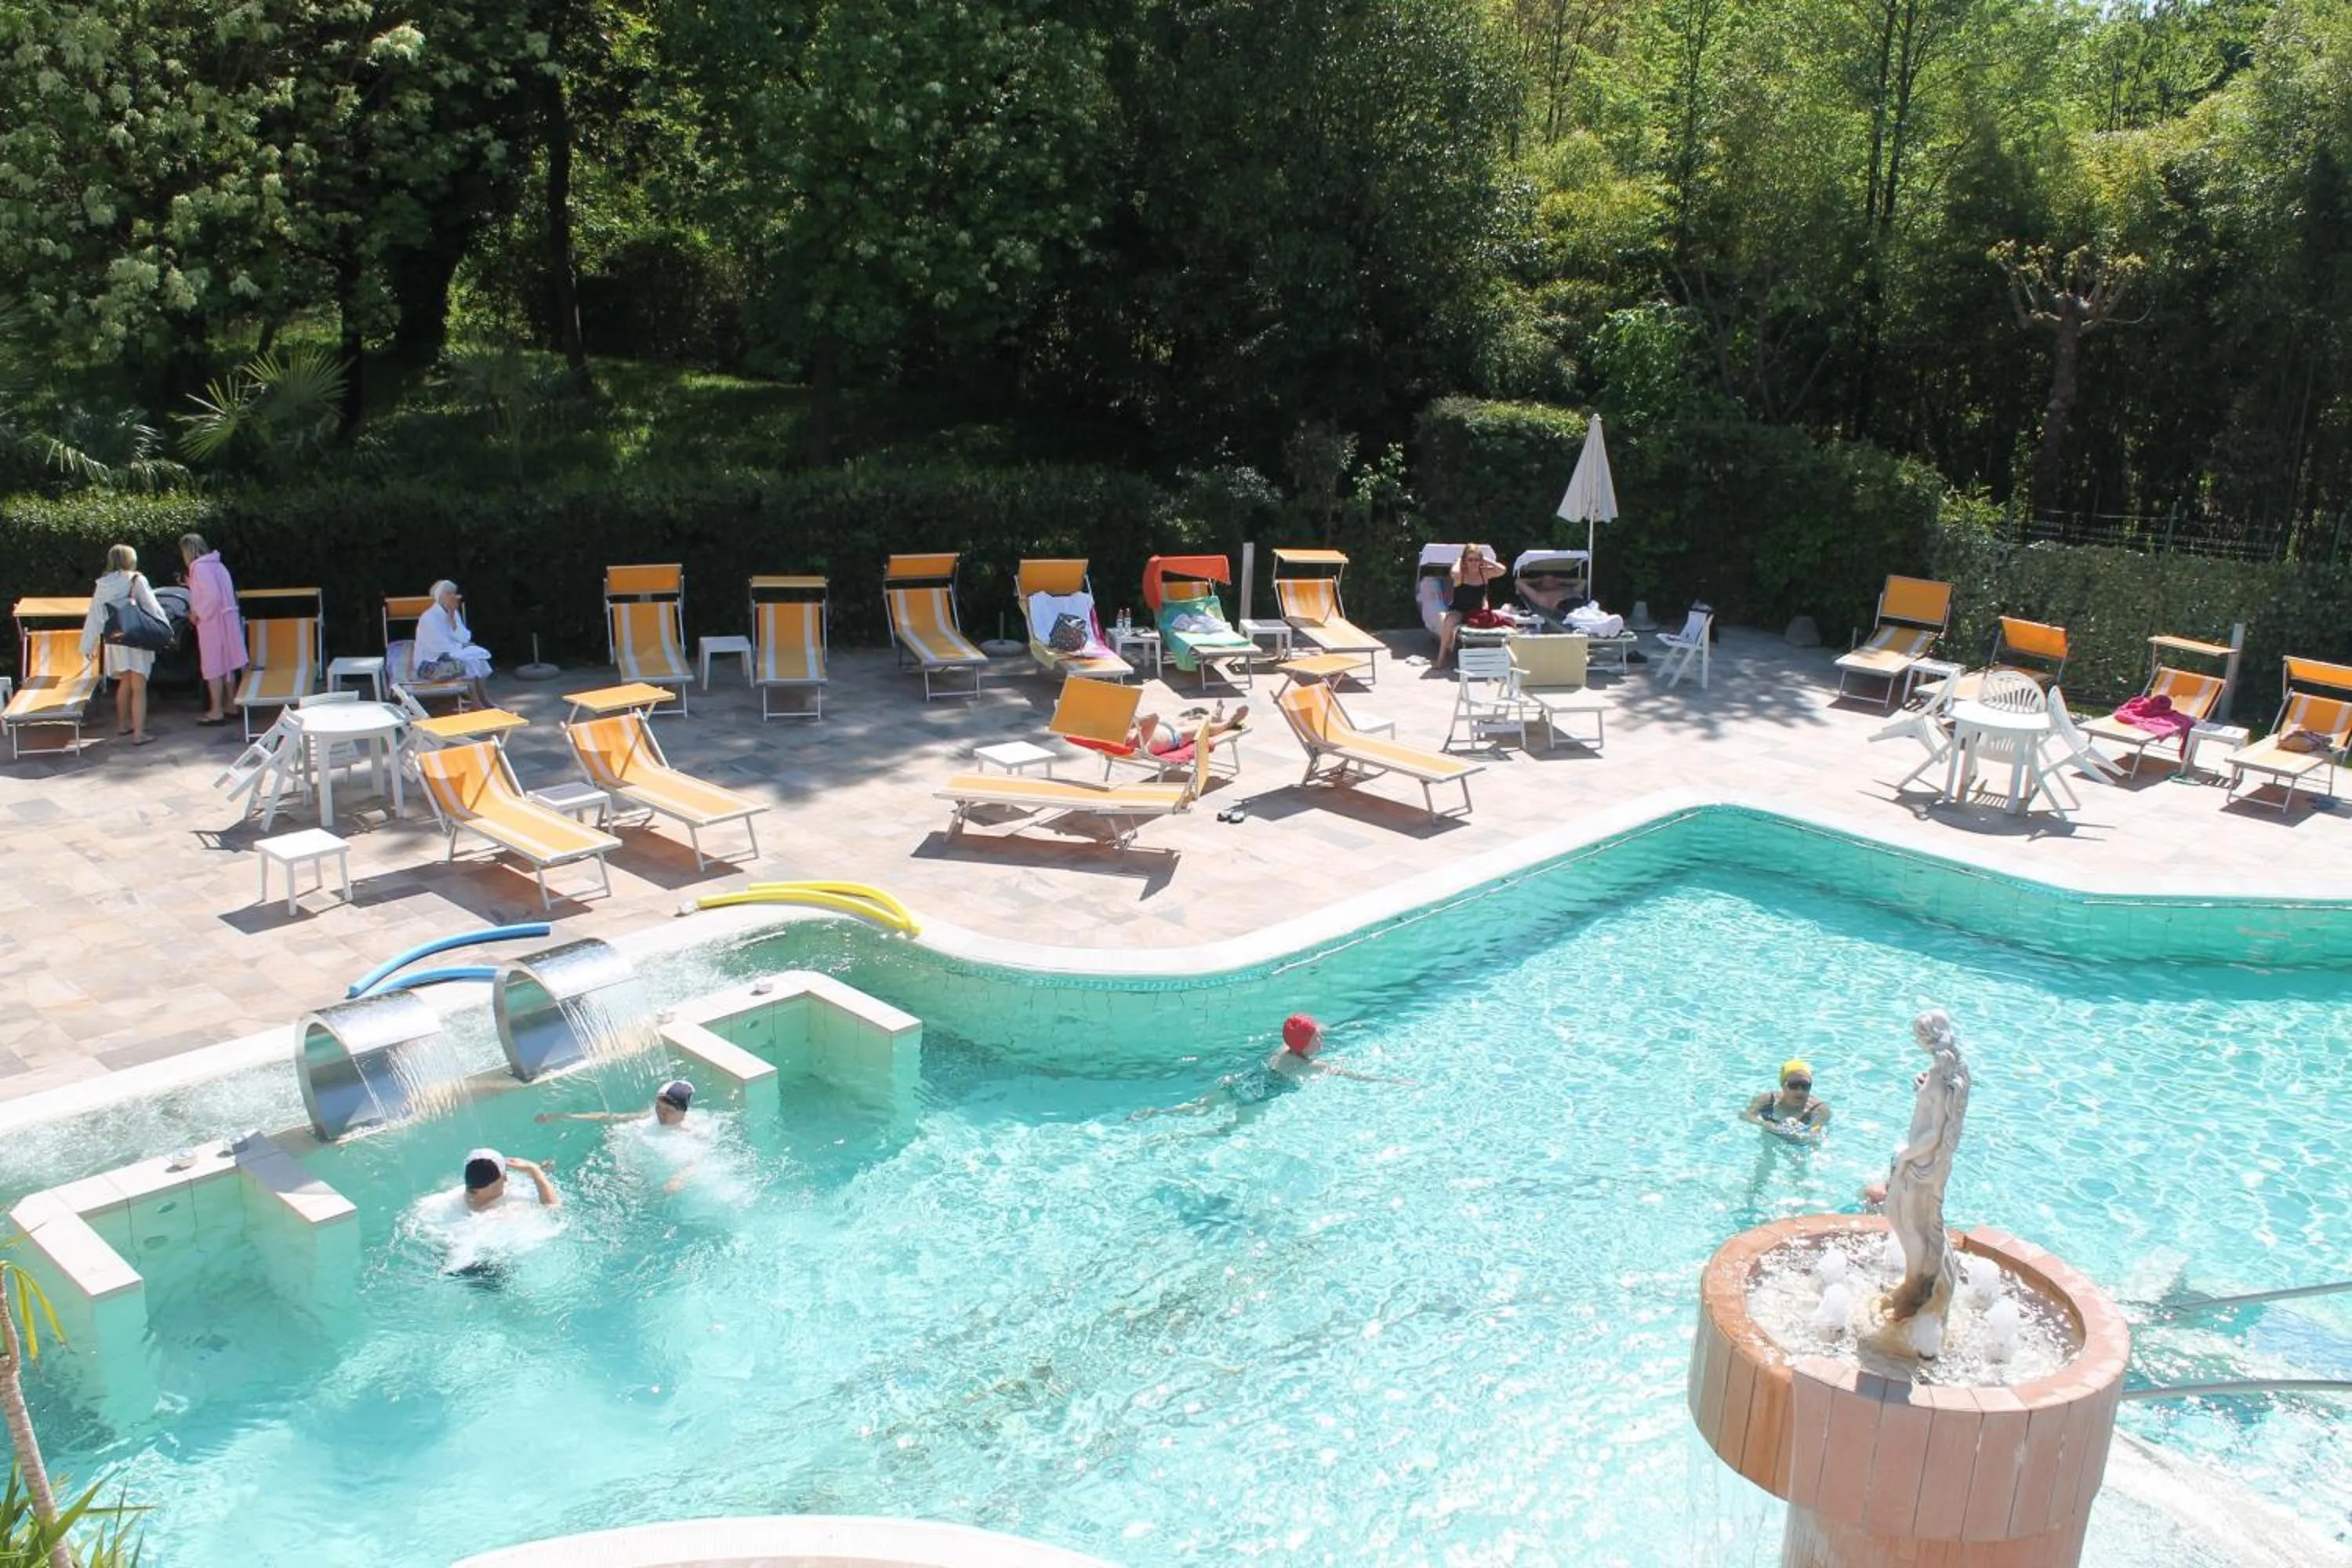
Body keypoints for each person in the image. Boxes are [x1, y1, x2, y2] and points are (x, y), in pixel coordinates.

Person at [1133, 1013, 1412, 1120]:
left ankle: (1157, 1113)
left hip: (1240, 1080)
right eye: (1317, 1037)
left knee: (1198, 1108)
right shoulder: (1310, 1067)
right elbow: (1352, 1075)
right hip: (1258, 1096)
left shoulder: (1283, 1048)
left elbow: (1298, 1035)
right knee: (1228, 1131)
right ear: (1306, 1045)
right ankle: (1174, 1142)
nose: (1322, 1039)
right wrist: (1390, 1082)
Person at [537, 1080, 704, 1192]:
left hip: (654, 1180)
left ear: (683, 1112)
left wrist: (679, 1179)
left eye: (669, 1111)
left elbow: (697, 1161)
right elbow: (610, 1117)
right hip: (627, 1167)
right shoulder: (648, 1117)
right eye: (659, 1107)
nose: (661, 1114)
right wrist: (561, 1116)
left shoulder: (693, 1132)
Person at [78, 543, 169, 747]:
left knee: (124, 683)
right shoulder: (137, 580)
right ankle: (139, 734)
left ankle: (122, 725)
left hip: (116, 640)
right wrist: (166, 630)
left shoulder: (103, 584)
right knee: (139, 686)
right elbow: (152, 608)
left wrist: (88, 646)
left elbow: (95, 616)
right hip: (137, 638)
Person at [178, 533, 246, 726]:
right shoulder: (218, 564)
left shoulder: (199, 568)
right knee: (228, 664)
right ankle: (230, 704)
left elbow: (212, 597)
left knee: (213, 666)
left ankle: (216, 710)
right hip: (228, 619)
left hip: (213, 623)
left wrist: (197, 613)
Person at [415, 579, 493, 708]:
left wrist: (452, 619)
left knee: (479, 660)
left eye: (454, 593)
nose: (453, 597)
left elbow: (464, 637)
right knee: (468, 663)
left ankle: (485, 700)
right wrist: (464, 647)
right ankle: (477, 704)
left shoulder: (453, 613)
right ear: (440, 596)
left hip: (450, 655)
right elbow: (440, 646)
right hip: (430, 664)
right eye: (449, 594)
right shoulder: (428, 617)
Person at [1436, 544, 1505, 668]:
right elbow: (1453, 573)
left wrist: (1486, 560)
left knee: (1497, 621)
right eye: (1470, 560)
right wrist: (1458, 561)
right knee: (1449, 621)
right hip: (1459, 610)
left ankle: (1489, 656)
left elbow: (1502, 570)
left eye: (1476, 560)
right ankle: (1441, 657)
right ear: (1465, 561)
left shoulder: (1484, 573)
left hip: (1477, 611)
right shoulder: (1461, 574)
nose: (1474, 563)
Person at [1743, 1058, 1831, 1144]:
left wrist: (1797, 1135)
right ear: (1783, 1086)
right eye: (1794, 1085)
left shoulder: (1820, 1110)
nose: (1799, 1091)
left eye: (1805, 1085)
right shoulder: (1767, 1100)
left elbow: (1815, 1136)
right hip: (1769, 1134)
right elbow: (1745, 1115)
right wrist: (1765, 1124)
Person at [1131, 704, 1248, 759]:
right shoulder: (1136, 745)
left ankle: (1214, 717)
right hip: (1176, 737)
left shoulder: (1125, 736)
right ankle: (1229, 723)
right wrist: (1130, 722)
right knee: (1202, 728)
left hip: (1165, 727)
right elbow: (1154, 717)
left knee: (1189, 720)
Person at [463, 1148, 560, 1211]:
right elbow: (552, 1210)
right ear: (505, 1177)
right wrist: (535, 1171)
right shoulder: (509, 1211)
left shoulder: (452, 1200)